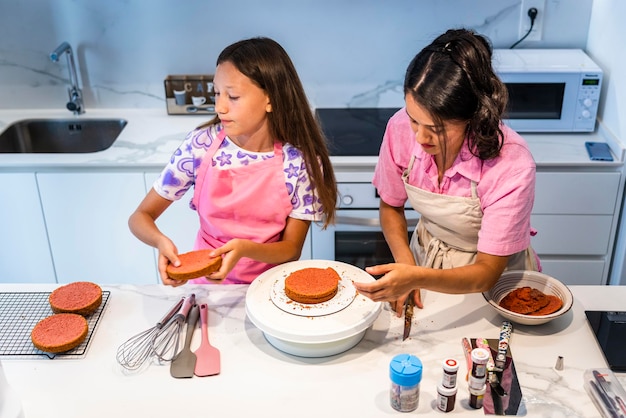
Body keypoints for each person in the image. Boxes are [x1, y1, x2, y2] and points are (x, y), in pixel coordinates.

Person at [352, 28, 540, 315]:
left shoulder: (511, 164)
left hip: (493, 282)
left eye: (436, 129)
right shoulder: (400, 127)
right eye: (414, 120)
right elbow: (390, 205)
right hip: (425, 260)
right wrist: (407, 264)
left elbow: (487, 272)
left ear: (473, 118)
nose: (419, 138)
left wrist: (416, 277)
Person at [129, 37, 337, 287]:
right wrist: (160, 242)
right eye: (217, 93)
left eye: (233, 96)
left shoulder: (299, 162)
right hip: (208, 289)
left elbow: (291, 249)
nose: (220, 107)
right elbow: (140, 216)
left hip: (271, 292)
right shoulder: (200, 146)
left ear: (270, 99)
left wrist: (245, 249)